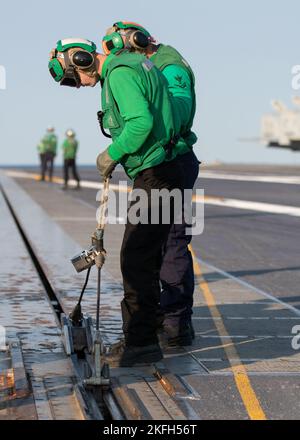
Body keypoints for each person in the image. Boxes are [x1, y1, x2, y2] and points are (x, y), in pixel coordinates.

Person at [48, 38, 186, 367]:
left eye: (72, 78)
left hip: (156, 173)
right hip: (165, 168)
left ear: (80, 59)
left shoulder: (120, 73)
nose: (77, 86)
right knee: (147, 257)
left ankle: (140, 345)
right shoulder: (131, 65)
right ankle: (147, 331)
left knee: (136, 258)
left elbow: (141, 122)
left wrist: (109, 154)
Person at [102, 22, 200, 347]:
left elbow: (179, 111)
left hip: (171, 163)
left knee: (171, 244)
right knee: (153, 247)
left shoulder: (169, 65)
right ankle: (158, 321)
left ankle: (175, 325)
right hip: (159, 164)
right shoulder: (145, 66)